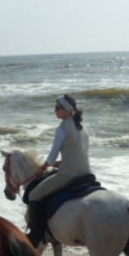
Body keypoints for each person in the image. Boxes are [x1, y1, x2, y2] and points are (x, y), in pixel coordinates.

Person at [25, 94, 90, 246]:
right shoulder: (82, 126)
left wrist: (43, 167)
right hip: (87, 172)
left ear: (66, 109)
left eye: (57, 108)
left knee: (34, 194)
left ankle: (35, 235)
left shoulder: (62, 128)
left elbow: (52, 158)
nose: (55, 111)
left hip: (69, 174)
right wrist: (63, 162)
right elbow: (79, 152)